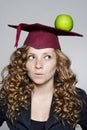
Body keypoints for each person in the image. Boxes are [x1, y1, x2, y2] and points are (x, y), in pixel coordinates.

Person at [0, 22, 87, 130]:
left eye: (47, 57)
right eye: (31, 57)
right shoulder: (8, 97)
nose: (38, 65)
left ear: (58, 62)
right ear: (23, 62)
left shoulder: (77, 98)